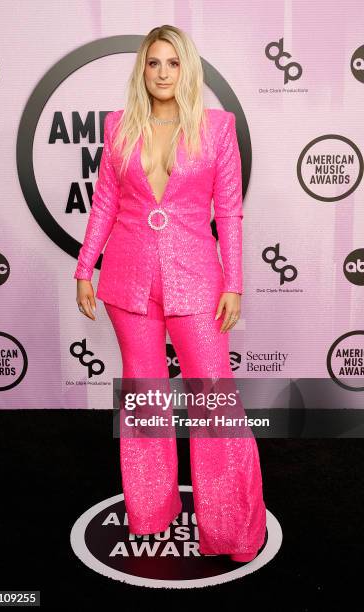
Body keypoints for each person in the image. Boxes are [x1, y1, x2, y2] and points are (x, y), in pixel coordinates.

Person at [74, 24, 267, 563]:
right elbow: (105, 205)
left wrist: (234, 282)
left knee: (214, 404)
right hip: (128, 280)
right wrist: (85, 268)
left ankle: (232, 529)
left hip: (198, 279)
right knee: (146, 401)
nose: (162, 73)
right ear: (142, 70)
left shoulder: (217, 128)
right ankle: (150, 514)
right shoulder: (119, 128)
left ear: (188, 69)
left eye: (172, 63)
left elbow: (228, 211)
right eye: (153, 63)